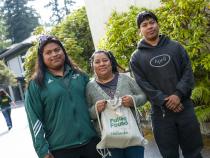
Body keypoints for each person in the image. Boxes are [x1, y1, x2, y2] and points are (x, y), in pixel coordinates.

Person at [130, 11, 203, 158]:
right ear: (140, 30)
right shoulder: (136, 57)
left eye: (152, 22)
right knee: (169, 154)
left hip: (185, 107)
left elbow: (188, 72)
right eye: (144, 25)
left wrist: (178, 95)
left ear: (158, 24)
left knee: (194, 152)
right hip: (160, 113)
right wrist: (164, 100)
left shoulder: (176, 47)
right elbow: (142, 83)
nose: (149, 27)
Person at [24, 35, 101, 158]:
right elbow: (34, 120)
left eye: (57, 50)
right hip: (61, 149)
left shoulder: (80, 76)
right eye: (48, 52)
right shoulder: (36, 84)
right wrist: (42, 150)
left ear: (63, 52)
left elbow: (94, 104)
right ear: (42, 58)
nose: (54, 54)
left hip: (91, 143)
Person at [86, 50, 147, 158]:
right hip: (109, 141)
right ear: (92, 65)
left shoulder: (125, 78)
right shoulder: (89, 87)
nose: (102, 64)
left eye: (105, 60)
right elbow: (87, 113)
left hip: (133, 136)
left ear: (111, 62)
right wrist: (96, 109)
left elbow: (143, 96)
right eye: (97, 62)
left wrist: (133, 100)